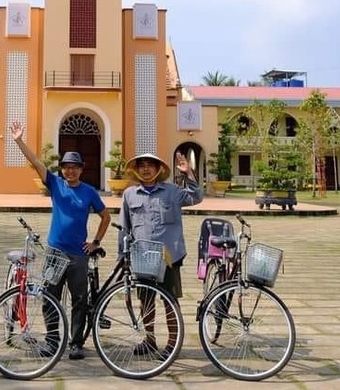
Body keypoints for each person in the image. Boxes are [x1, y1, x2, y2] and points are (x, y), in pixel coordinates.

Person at [10, 121, 111, 360]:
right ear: (62, 169)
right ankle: (53, 340)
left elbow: (105, 217)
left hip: (78, 255)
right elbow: (36, 163)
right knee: (49, 297)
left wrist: (95, 242)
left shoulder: (89, 191)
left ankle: (76, 343)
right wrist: (18, 141)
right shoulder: (55, 184)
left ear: (81, 169)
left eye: (75, 167)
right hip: (55, 252)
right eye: (66, 167)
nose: (70, 171)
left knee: (79, 301)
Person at [120, 151, 203, 356]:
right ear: (137, 170)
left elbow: (197, 197)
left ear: (158, 170)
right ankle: (149, 340)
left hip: (169, 256)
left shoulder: (172, 191)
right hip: (142, 256)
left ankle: (173, 343)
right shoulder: (130, 194)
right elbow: (124, 228)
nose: (146, 169)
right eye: (142, 165)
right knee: (146, 301)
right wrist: (123, 255)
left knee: (170, 301)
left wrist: (188, 173)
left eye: (150, 165)